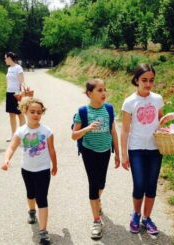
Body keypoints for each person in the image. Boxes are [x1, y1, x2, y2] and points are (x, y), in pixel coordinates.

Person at [120, 64, 174, 235]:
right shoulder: (129, 102)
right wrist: (124, 154)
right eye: (144, 80)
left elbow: (159, 122)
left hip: (155, 148)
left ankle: (147, 218)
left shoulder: (157, 99)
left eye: (151, 80)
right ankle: (135, 215)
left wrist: (167, 119)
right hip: (136, 149)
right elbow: (125, 129)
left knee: (151, 186)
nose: (148, 84)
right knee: (139, 185)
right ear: (136, 80)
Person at [1, 97, 57, 245]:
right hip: (27, 169)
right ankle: (32, 211)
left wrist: (55, 165)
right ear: (25, 111)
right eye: (32, 111)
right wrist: (7, 159)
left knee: (42, 198)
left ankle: (43, 232)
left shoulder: (47, 131)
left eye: (39, 112)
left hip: (43, 169)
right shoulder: (21, 131)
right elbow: (12, 147)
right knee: (30, 194)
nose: (36, 115)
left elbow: (52, 150)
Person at [72, 78, 120, 240]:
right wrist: (87, 128)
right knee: (93, 184)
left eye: (104, 89)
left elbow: (113, 132)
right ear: (89, 94)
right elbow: (74, 135)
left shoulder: (109, 109)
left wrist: (118, 154)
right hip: (89, 152)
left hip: (105, 150)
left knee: (101, 183)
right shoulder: (83, 111)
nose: (104, 93)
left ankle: (97, 202)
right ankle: (96, 221)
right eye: (99, 90)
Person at [4, 52, 27, 142]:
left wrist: (22, 92)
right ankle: (13, 134)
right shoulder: (9, 69)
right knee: (11, 115)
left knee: (20, 114)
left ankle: (22, 134)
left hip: (16, 94)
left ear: (9, 58)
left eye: (5, 58)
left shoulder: (18, 68)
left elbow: (22, 81)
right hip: (9, 93)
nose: (5, 60)